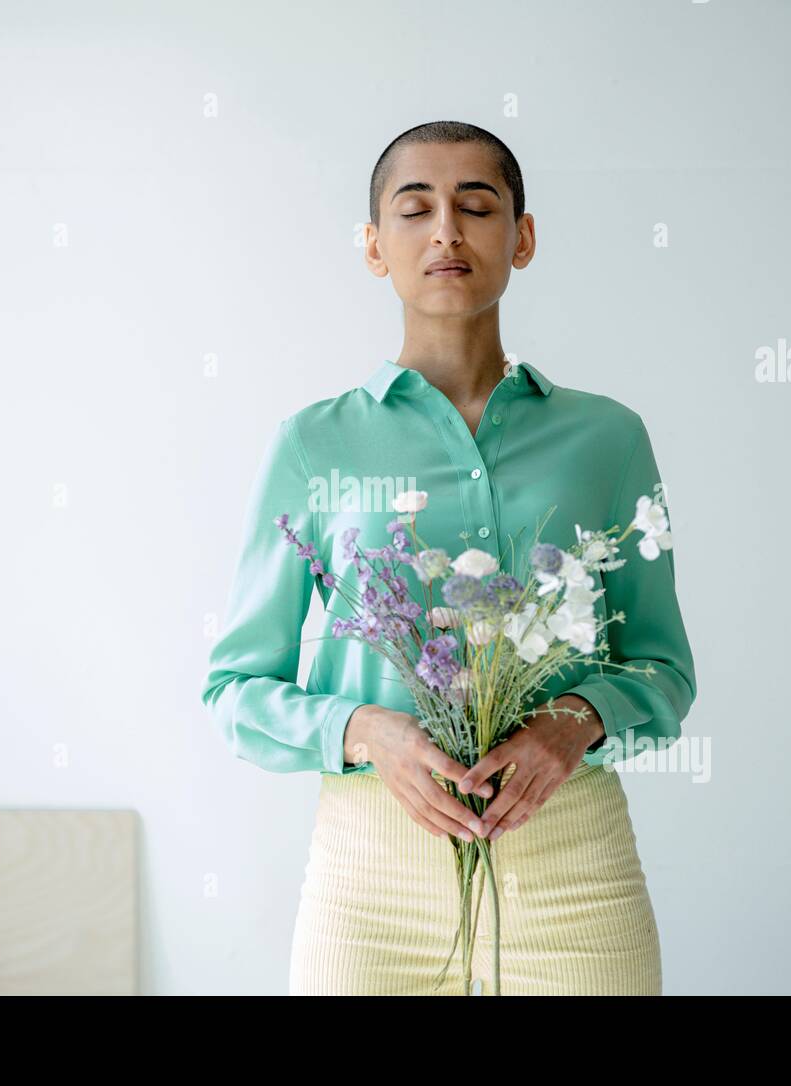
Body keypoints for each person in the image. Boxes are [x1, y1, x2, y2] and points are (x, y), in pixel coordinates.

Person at [200, 120, 697, 995]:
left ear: (523, 237)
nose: (446, 232)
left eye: (476, 206)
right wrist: (364, 732)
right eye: (415, 209)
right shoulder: (312, 444)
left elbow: (662, 670)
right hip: (369, 881)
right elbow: (235, 689)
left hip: (573, 870)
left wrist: (572, 722)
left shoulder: (609, 439)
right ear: (373, 245)